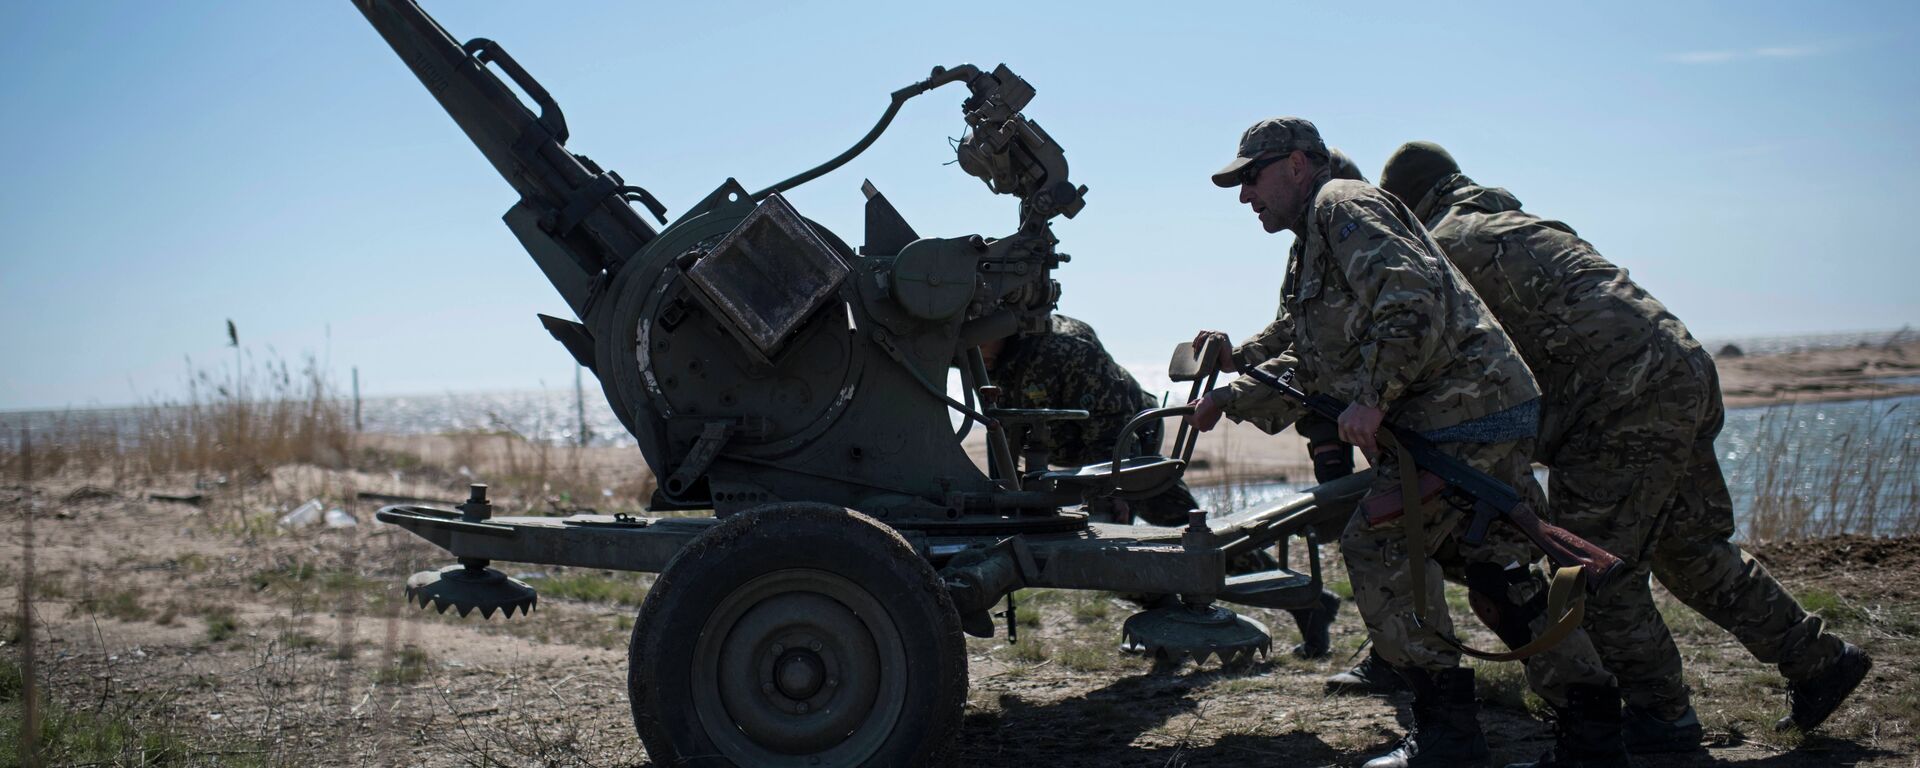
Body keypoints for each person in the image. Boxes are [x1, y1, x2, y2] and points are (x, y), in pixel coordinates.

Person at [1377, 141, 1872, 749]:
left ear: (1405, 203)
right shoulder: (1520, 222)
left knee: (1591, 572)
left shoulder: (1443, 247)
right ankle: (1820, 660)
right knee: (1690, 546)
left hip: (1617, 404)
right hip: (1682, 371)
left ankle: (1662, 717)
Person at [1191, 116, 1626, 768]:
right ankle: (1593, 737)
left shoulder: (1343, 205)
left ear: (1298, 166)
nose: (1245, 195)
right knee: (1503, 577)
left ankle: (1448, 737)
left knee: (1377, 545)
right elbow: (1313, 360)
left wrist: (1374, 396)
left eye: (1252, 177)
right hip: (1474, 415)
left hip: (1458, 421)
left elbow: (1410, 295)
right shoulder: (1317, 236)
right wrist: (1233, 389)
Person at [981, 313, 1340, 657]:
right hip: (1084, 458)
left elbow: (1114, 416)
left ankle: (1307, 602)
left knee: (1165, 543)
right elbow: (998, 426)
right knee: (1179, 541)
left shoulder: (1065, 347)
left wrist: (1115, 488)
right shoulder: (976, 352)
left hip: (1128, 444)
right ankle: (1166, 618)